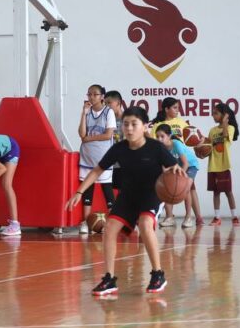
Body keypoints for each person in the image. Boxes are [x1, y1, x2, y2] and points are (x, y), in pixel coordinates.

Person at [67, 107, 181, 296]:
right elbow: (97, 170)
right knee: (110, 228)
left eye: (134, 124)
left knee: (145, 224)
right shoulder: (119, 148)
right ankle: (109, 278)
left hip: (150, 194)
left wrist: (178, 177)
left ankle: (158, 274)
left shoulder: (155, 147)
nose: (128, 128)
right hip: (128, 195)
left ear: (145, 127)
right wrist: (79, 192)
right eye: (125, 124)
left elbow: (174, 168)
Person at [77, 84, 116, 234]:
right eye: (89, 94)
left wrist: (89, 138)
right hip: (87, 158)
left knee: (108, 192)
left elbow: (107, 135)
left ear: (102, 97)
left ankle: (113, 223)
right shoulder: (87, 112)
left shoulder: (108, 112)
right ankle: (85, 223)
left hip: (104, 158)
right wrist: (83, 113)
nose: (91, 97)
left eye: (95, 94)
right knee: (87, 191)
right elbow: (81, 134)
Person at [154, 124, 200, 228]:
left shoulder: (176, 144)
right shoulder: (160, 148)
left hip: (190, 165)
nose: (159, 139)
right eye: (157, 137)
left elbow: (185, 164)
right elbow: (164, 169)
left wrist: (180, 179)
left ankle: (188, 218)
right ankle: (170, 217)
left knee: (186, 187)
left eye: (162, 136)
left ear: (169, 136)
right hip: (176, 166)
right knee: (165, 186)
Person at [207, 102, 240, 226]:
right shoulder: (212, 131)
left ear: (224, 115)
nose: (213, 115)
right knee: (216, 192)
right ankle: (217, 218)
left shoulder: (230, 128)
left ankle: (235, 217)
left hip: (224, 165)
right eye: (212, 113)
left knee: (228, 192)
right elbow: (208, 147)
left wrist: (226, 121)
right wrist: (201, 150)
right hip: (213, 166)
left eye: (215, 113)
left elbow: (225, 135)